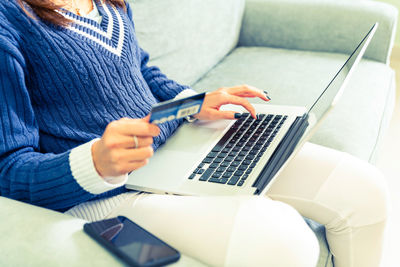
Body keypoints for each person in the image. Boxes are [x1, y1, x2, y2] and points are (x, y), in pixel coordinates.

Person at [0, 0, 389, 266]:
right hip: (105, 191)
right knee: (286, 241)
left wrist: (195, 101)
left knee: (364, 189)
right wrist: (96, 163)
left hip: (177, 147)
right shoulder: (8, 20)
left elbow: (141, 72)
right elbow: (10, 168)